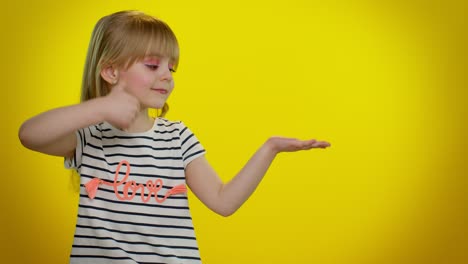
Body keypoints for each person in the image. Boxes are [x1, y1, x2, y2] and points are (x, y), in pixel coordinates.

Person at [18, 10, 331, 264]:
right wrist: (100, 107)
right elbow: (29, 135)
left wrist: (269, 148)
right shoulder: (89, 137)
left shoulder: (177, 138)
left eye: (172, 68)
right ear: (111, 71)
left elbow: (223, 201)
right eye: (153, 65)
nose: (167, 76)